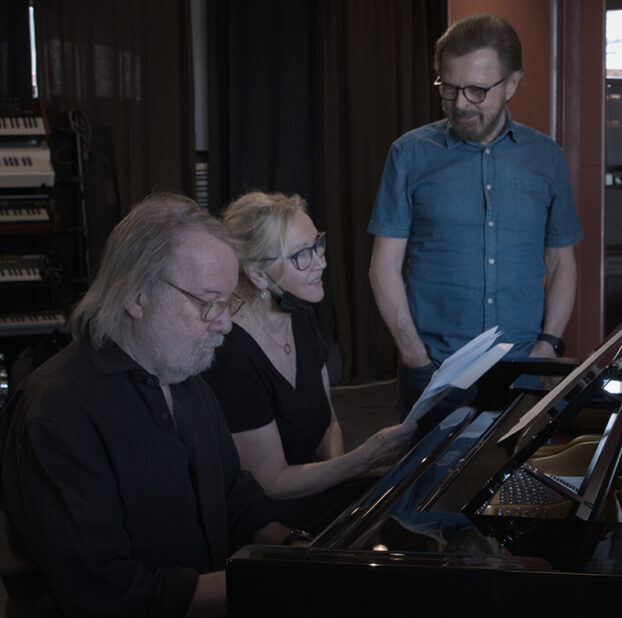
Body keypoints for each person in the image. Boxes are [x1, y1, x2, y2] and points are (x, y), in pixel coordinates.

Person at [0, 194, 292, 618]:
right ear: (136, 295)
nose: (225, 323)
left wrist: (293, 545)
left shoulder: (187, 379)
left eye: (229, 303)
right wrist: (272, 580)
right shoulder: (56, 412)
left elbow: (233, 497)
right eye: (209, 301)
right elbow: (107, 594)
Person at [368, 14, 583, 419]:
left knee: (518, 481)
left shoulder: (546, 157)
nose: (460, 102)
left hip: (524, 369)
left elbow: (560, 262)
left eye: (477, 90)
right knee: (427, 481)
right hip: (433, 372)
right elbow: (384, 266)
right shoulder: (409, 154)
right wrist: (414, 355)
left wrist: (548, 344)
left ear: (512, 84)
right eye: (449, 88)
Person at [203, 191, 415, 531]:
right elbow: (272, 483)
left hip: (311, 487)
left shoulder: (299, 313)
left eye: (318, 244)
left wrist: (343, 478)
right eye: (303, 254)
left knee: (401, 495)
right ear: (257, 275)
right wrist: (358, 463)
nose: (322, 261)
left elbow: (327, 425)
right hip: (267, 516)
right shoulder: (231, 354)